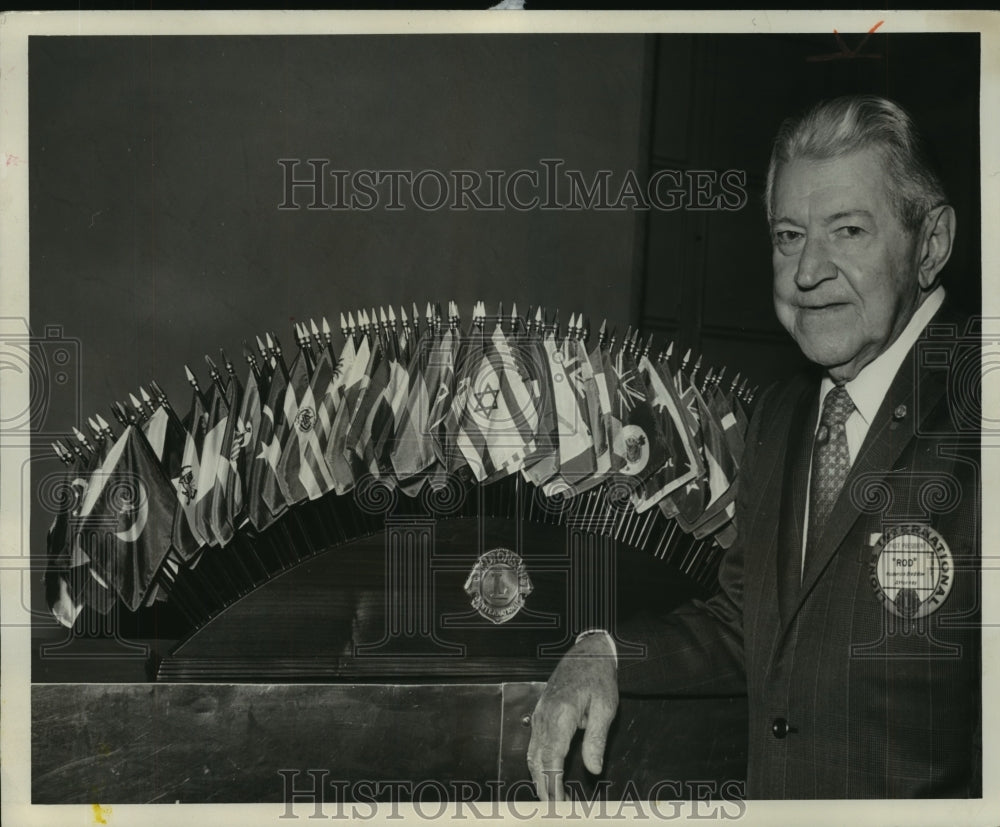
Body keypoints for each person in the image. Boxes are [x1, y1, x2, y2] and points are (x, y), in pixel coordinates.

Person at [527, 94, 981, 799]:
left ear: (932, 244)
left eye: (849, 230)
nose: (807, 271)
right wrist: (605, 651)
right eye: (789, 236)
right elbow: (751, 624)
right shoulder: (780, 414)